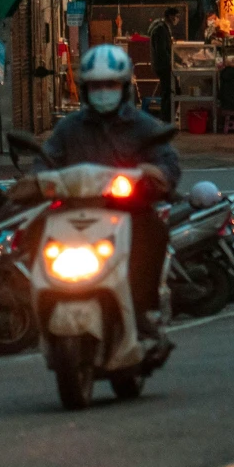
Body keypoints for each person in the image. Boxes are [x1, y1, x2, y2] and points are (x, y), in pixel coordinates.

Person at [41, 44, 182, 336]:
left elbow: (167, 163)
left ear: (123, 88)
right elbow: (45, 161)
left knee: (154, 234)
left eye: (110, 85)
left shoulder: (143, 125)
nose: (103, 91)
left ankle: (143, 308)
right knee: (31, 234)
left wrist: (157, 175)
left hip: (129, 213)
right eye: (96, 86)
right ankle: (40, 303)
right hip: (74, 213)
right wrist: (35, 181)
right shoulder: (69, 128)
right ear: (85, 89)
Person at [147, 15, 175, 116]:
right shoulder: (161, 30)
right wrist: (171, 62)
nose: (177, 20)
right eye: (176, 17)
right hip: (163, 66)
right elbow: (162, 50)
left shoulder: (161, 28)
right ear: (172, 17)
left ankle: (166, 117)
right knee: (169, 91)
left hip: (161, 66)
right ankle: (166, 117)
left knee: (167, 91)